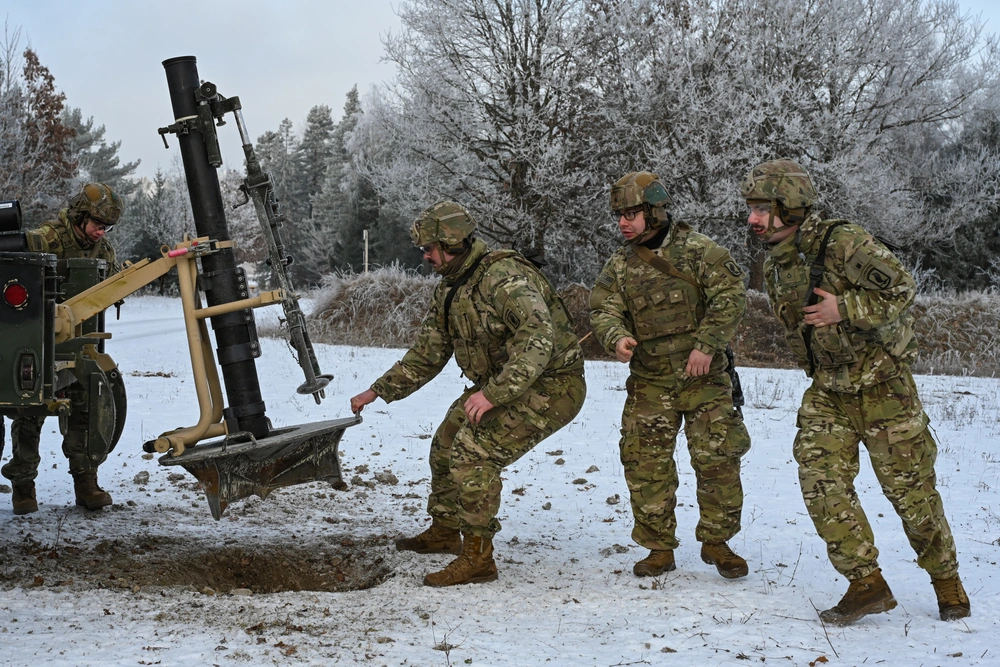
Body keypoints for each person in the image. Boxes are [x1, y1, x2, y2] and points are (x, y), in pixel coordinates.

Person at [741, 158, 970, 624]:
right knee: (820, 478)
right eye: (751, 208)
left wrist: (844, 308)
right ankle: (866, 583)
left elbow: (902, 288)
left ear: (791, 205)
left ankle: (947, 582)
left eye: (762, 208)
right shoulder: (779, 261)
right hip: (829, 390)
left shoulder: (843, 241)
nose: (753, 218)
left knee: (912, 493)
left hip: (883, 388)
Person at [350, 200, 586, 587]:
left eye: (429, 248)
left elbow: (538, 338)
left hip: (554, 385)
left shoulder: (503, 279)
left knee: (473, 451)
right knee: (446, 440)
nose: (424, 256)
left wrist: (492, 395)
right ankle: (445, 530)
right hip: (508, 384)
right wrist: (378, 391)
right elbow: (428, 353)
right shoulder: (451, 289)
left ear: (451, 243)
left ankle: (478, 558)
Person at [590, 172, 751, 579]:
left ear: (654, 211)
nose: (623, 223)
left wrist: (707, 345)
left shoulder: (699, 251)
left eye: (631, 214)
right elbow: (603, 308)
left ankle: (717, 542)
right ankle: (658, 547)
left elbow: (730, 297)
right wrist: (617, 336)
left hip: (704, 377)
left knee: (718, 459)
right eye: (619, 216)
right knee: (646, 463)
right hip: (650, 380)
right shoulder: (620, 265)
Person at [3, 182, 124, 514]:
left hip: (83, 344)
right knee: (30, 413)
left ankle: (86, 482)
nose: (102, 231)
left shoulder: (105, 252)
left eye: (107, 227)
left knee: (85, 410)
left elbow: (114, 288)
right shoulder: (47, 239)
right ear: (80, 215)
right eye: (97, 224)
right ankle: (23, 487)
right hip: (39, 341)